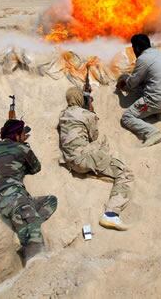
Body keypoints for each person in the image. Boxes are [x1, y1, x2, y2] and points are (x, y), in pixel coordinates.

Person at [58, 86, 134, 230]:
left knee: (100, 150)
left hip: (69, 160)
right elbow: (94, 136)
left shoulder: (63, 114)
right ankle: (111, 215)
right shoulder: (86, 114)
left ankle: (97, 171)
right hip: (83, 160)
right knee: (126, 173)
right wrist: (91, 110)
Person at [0, 119, 57, 266]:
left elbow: (8, 163)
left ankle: (21, 226)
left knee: (50, 200)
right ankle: (36, 263)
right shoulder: (22, 149)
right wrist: (24, 144)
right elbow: (36, 168)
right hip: (16, 199)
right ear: (18, 135)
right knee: (33, 227)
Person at [116, 34, 161, 147]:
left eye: (133, 48)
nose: (134, 51)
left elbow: (131, 84)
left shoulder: (142, 59)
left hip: (157, 100)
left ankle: (152, 133)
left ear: (138, 48)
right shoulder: (158, 53)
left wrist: (122, 85)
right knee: (147, 85)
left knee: (127, 118)